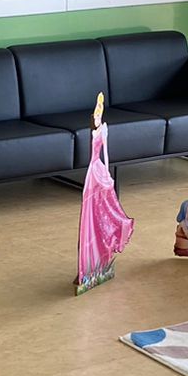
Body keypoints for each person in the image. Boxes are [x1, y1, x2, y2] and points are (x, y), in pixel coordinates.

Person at [77, 93, 134, 294]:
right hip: (94, 170)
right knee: (90, 210)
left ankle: (98, 260)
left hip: (99, 169)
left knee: (102, 209)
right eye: (96, 115)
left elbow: (106, 154)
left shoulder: (104, 130)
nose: (97, 117)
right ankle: (87, 265)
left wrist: (108, 175)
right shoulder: (95, 132)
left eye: (99, 114)